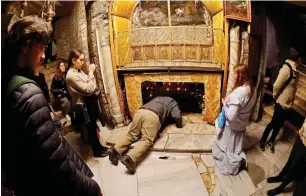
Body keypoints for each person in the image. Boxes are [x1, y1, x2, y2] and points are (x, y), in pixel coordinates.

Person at [1, 15, 102, 195]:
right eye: (41, 48)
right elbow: (57, 161)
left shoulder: (8, 79)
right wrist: (92, 188)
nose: (43, 56)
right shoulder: (27, 93)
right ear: (26, 46)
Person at [107, 96, 183, 174]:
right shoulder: (173, 102)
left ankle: (114, 150)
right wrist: (180, 125)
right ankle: (130, 158)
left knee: (131, 135)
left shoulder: (158, 97)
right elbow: (177, 116)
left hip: (140, 112)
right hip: (152, 116)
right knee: (146, 140)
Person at [212, 64, 256, 175]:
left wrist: (225, 104)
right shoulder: (251, 88)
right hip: (242, 124)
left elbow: (231, 116)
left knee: (228, 147)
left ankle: (231, 166)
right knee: (236, 146)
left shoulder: (239, 93)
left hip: (232, 126)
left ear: (240, 75)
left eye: (235, 73)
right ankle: (239, 158)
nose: (233, 75)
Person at [66, 49, 108, 157]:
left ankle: (99, 147)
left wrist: (90, 80)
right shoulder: (71, 75)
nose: (83, 62)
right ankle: (96, 151)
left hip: (89, 102)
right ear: (73, 60)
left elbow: (90, 84)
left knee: (93, 126)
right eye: (81, 60)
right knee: (90, 128)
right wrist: (90, 72)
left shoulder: (78, 70)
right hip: (83, 105)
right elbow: (89, 89)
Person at [260, 47, 302, 153]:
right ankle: (263, 140)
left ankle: (271, 141)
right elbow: (277, 85)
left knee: (280, 124)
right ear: (299, 59)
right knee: (274, 123)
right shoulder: (287, 69)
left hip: (288, 104)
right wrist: (275, 97)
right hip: (281, 102)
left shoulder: (295, 69)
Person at [266, 119, 306, 196]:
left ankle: (280, 188)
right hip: (302, 134)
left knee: (295, 166)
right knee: (290, 160)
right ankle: (280, 176)